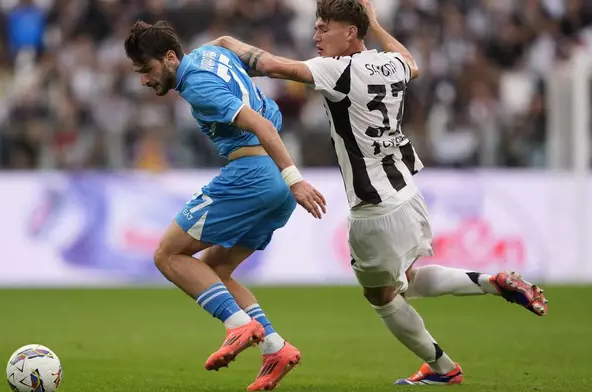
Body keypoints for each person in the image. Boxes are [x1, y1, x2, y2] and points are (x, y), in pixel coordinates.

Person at [208, 0, 548, 385]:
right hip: (407, 192)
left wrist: (226, 43)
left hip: (373, 209)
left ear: (350, 33)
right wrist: (374, 21)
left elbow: (268, 65)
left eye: (325, 28)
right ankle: (491, 282)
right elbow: (411, 62)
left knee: (382, 297)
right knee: (406, 279)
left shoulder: (336, 70)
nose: (316, 35)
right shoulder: (392, 63)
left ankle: (442, 367)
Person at [124, 20, 327, 390]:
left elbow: (262, 126)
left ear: (170, 58)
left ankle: (237, 325)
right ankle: (274, 347)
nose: (144, 79)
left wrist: (295, 180)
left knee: (168, 255)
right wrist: (268, 62)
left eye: (147, 70)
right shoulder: (209, 52)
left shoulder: (198, 86)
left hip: (254, 175)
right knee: (214, 270)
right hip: (274, 185)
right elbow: (227, 41)